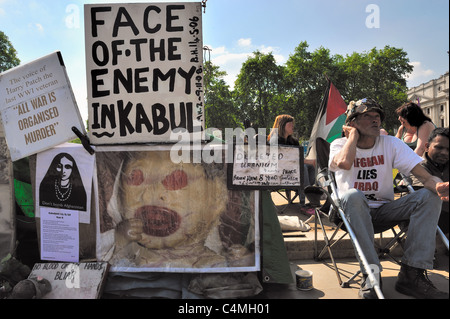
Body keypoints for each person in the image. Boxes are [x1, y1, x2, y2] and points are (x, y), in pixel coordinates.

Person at [329, 98, 449, 299]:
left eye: (378, 116)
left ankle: (412, 275)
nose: (376, 121)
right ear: (352, 123)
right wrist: (352, 138)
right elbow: (344, 163)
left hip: (384, 211)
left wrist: (437, 185)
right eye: (367, 116)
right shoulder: (339, 144)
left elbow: (422, 174)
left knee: (429, 196)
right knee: (353, 194)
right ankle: (371, 274)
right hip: (350, 213)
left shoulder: (391, 143)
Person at [267, 115, 316, 210]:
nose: (293, 126)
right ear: (282, 125)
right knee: (304, 167)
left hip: (292, 174)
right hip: (278, 174)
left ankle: (309, 197)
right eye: (290, 123)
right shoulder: (273, 141)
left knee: (310, 167)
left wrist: (307, 161)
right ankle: (304, 204)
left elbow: (298, 158)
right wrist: (306, 161)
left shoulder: (293, 141)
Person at [419, 127, 449, 236]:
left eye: (448, 149)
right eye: (439, 147)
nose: (444, 153)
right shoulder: (416, 168)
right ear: (427, 147)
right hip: (428, 217)